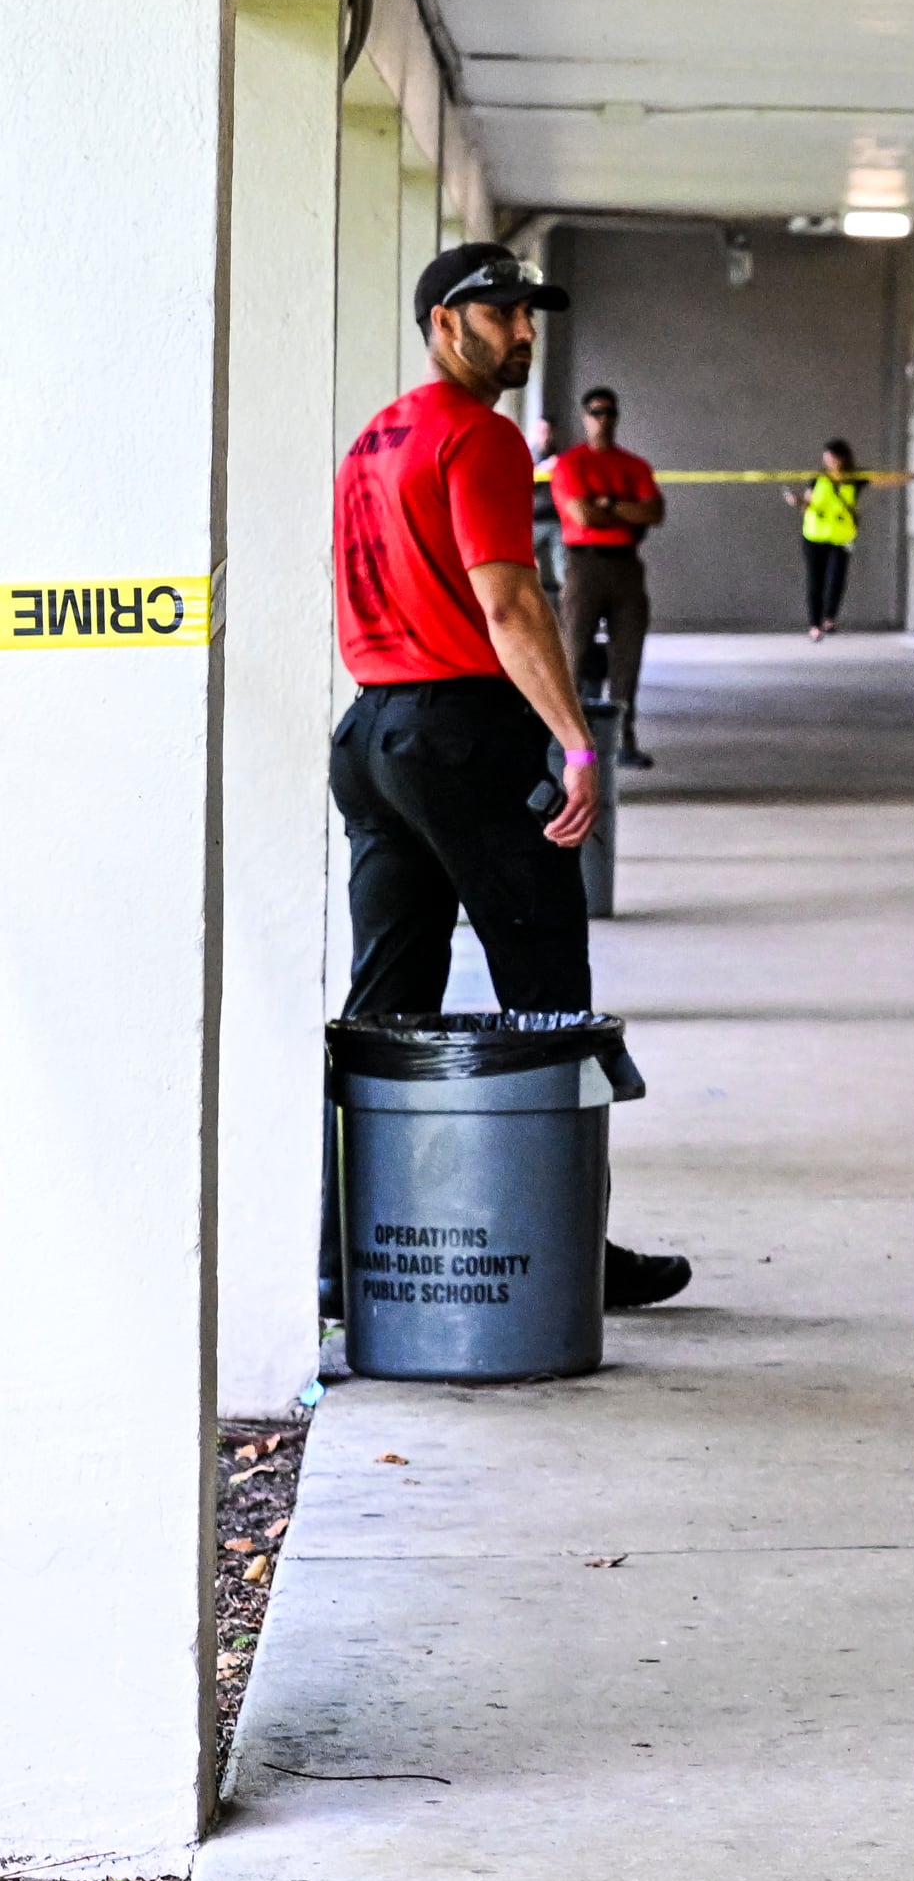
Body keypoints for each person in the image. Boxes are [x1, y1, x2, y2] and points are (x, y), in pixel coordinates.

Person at [331, 242, 688, 1311]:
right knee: (547, 993)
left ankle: (344, 1254)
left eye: (531, 313)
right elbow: (513, 603)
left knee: (387, 1002)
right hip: (462, 732)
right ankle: (569, 1249)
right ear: (447, 321)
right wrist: (576, 739)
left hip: (374, 737)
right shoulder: (476, 435)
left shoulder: (371, 439)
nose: (525, 330)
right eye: (504, 312)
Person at [550, 385, 663, 769]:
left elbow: (654, 512)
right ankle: (567, 741)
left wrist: (609, 504)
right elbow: (583, 516)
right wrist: (623, 510)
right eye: (596, 412)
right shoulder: (570, 464)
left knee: (626, 658)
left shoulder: (634, 466)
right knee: (575, 653)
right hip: (584, 565)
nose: (603, 419)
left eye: (610, 412)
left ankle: (622, 741)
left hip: (626, 566)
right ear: (585, 417)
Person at [786, 437, 867, 637]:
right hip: (815, 536)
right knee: (816, 580)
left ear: (842, 458)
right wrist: (796, 501)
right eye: (827, 457)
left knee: (837, 578)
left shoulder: (854, 480)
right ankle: (815, 625)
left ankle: (830, 618)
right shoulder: (817, 479)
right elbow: (807, 504)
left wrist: (913, 475)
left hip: (841, 538)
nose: (829, 461)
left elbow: (882, 479)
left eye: (832, 457)